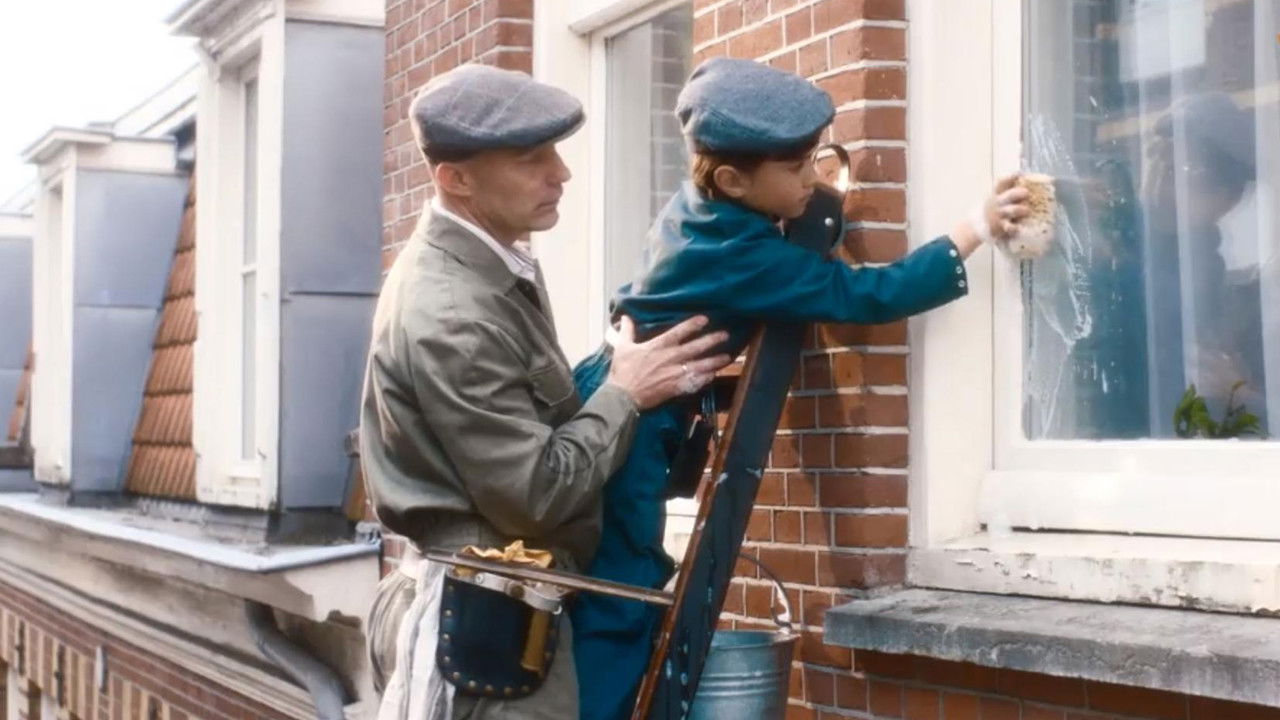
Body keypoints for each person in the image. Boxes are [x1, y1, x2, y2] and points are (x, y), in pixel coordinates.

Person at [568, 57, 1035, 720]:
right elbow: (867, 294)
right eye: (796, 171)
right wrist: (975, 228)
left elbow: (773, 227)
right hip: (635, 424)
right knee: (626, 585)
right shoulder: (745, 258)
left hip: (610, 386)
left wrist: (808, 198)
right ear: (733, 178)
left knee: (619, 576)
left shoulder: (701, 209)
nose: (812, 180)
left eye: (816, 160)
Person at [360, 64, 733, 720]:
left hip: (503, 609)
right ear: (456, 178)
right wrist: (625, 392)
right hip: (492, 627)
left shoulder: (490, 259)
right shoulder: (451, 309)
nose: (560, 173)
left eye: (555, 152)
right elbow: (534, 495)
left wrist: (612, 363)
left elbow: (534, 411)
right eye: (532, 158)